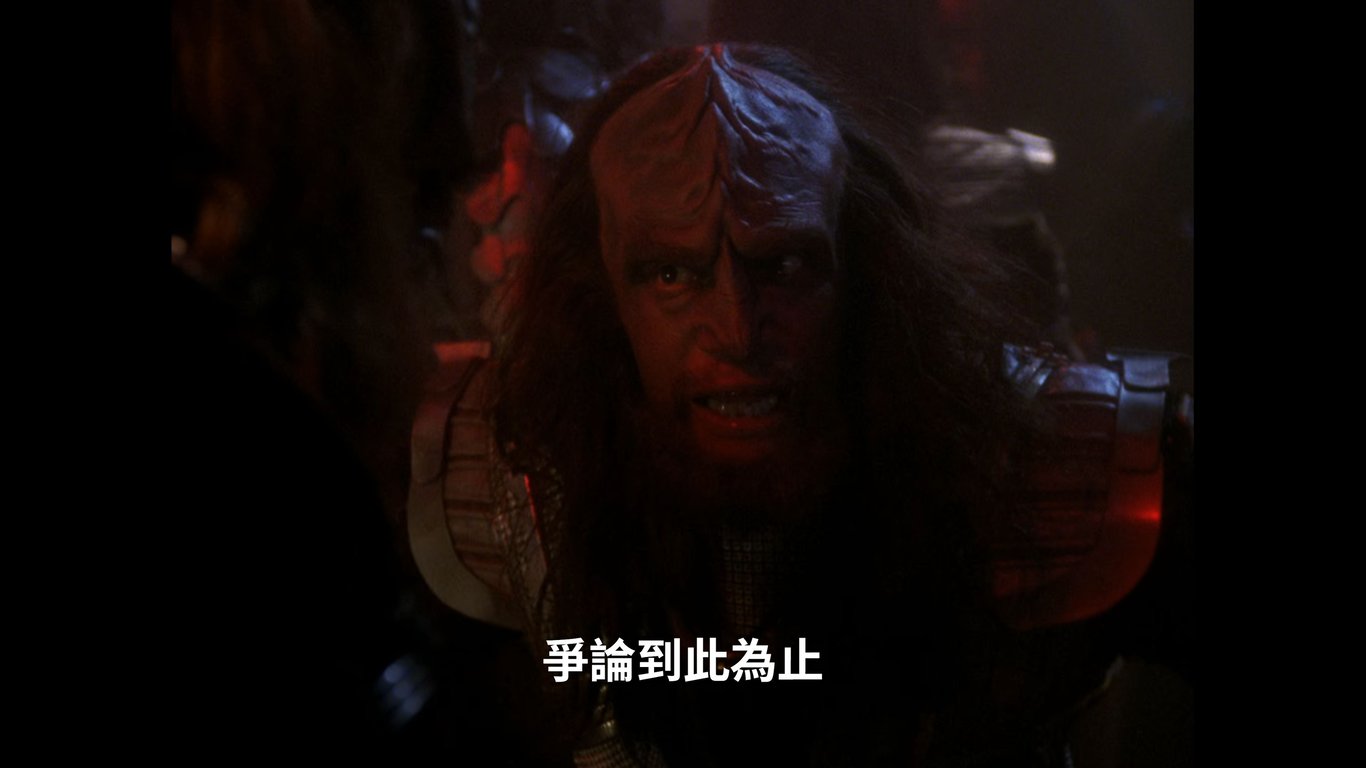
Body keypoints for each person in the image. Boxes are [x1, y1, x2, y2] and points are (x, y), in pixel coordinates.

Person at [409, 43, 1191, 766]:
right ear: (601, 296)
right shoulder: (510, 470)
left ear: (865, 273)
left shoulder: (1040, 463)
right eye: (672, 275)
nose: (737, 331)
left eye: (783, 265)